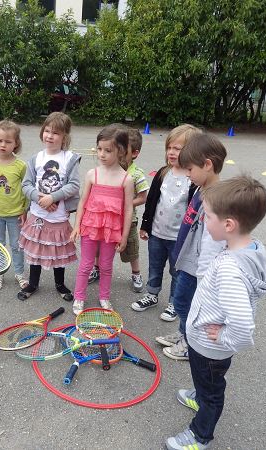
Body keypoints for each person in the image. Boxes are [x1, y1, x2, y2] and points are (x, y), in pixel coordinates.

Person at [165, 175, 266, 450]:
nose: (203, 220)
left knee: (212, 391)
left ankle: (200, 435)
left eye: (208, 216)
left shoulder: (230, 269)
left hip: (210, 348)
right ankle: (200, 396)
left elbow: (243, 327)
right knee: (206, 382)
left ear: (228, 225)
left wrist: (224, 338)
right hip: (207, 344)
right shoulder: (248, 247)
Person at [155, 133, 227, 361]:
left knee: (185, 304)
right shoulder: (200, 188)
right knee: (182, 301)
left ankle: (190, 343)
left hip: (197, 268)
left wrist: (204, 277)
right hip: (186, 260)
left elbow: (213, 243)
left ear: (207, 165)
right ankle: (183, 333)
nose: (187, 174)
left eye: (190, 169)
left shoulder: (215, 201)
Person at [131, 124, 201, 321]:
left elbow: (194, 210)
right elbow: (152, 202)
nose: (171, 152)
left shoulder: (193, 179)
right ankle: (152, 295)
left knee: (177, 271)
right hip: (157, 233)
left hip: (179, 238)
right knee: (155, 266)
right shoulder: (163, 173)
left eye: (177, 149)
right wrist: (145, 225)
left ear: (192, 151)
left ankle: (174, 302)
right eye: (169, 147)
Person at [70, 125, 134, 314]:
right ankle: (79, 297)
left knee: (106, 266)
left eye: (108, 150)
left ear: (120, 151)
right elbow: (83, 201)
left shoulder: (126, 179)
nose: (102, 154)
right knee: (86, 264)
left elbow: (128, 209)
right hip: (90, 227)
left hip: (111, 230)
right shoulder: (92, 174)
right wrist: (76, 225)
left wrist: (124, 236)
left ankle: (104, 297)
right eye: (99, 149)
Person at [18, 112, 80, 301]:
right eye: (47, 131)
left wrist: (53, 197)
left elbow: (74, 185)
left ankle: (60, 284)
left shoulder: (69, 158)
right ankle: (33, 283)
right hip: (38, 216)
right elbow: (26, 185)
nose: (50, 136)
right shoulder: (35, 158)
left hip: (58, 217)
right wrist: (40, 199)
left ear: (64, 137)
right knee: (36, 251)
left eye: (55, 133)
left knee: (58, 252)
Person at [88, 128, 149, 293]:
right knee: (99, 246)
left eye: (123, 151)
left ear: (134, 153)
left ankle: (136, 273)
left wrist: (124, 205)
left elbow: (143, 197)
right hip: (106, 220)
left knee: (131, 249)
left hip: (128, 221)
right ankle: (97, 268)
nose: (119, 154)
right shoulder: (108, 169)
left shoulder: (136, 174)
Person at [0, 120, 29, 291]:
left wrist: (25, 210)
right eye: (0, 140)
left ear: (16, 143)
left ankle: (19, 273)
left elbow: (26, 188)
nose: (3, 144)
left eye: (8, 141)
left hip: (15, 213)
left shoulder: (21, 166)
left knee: (17, 245)